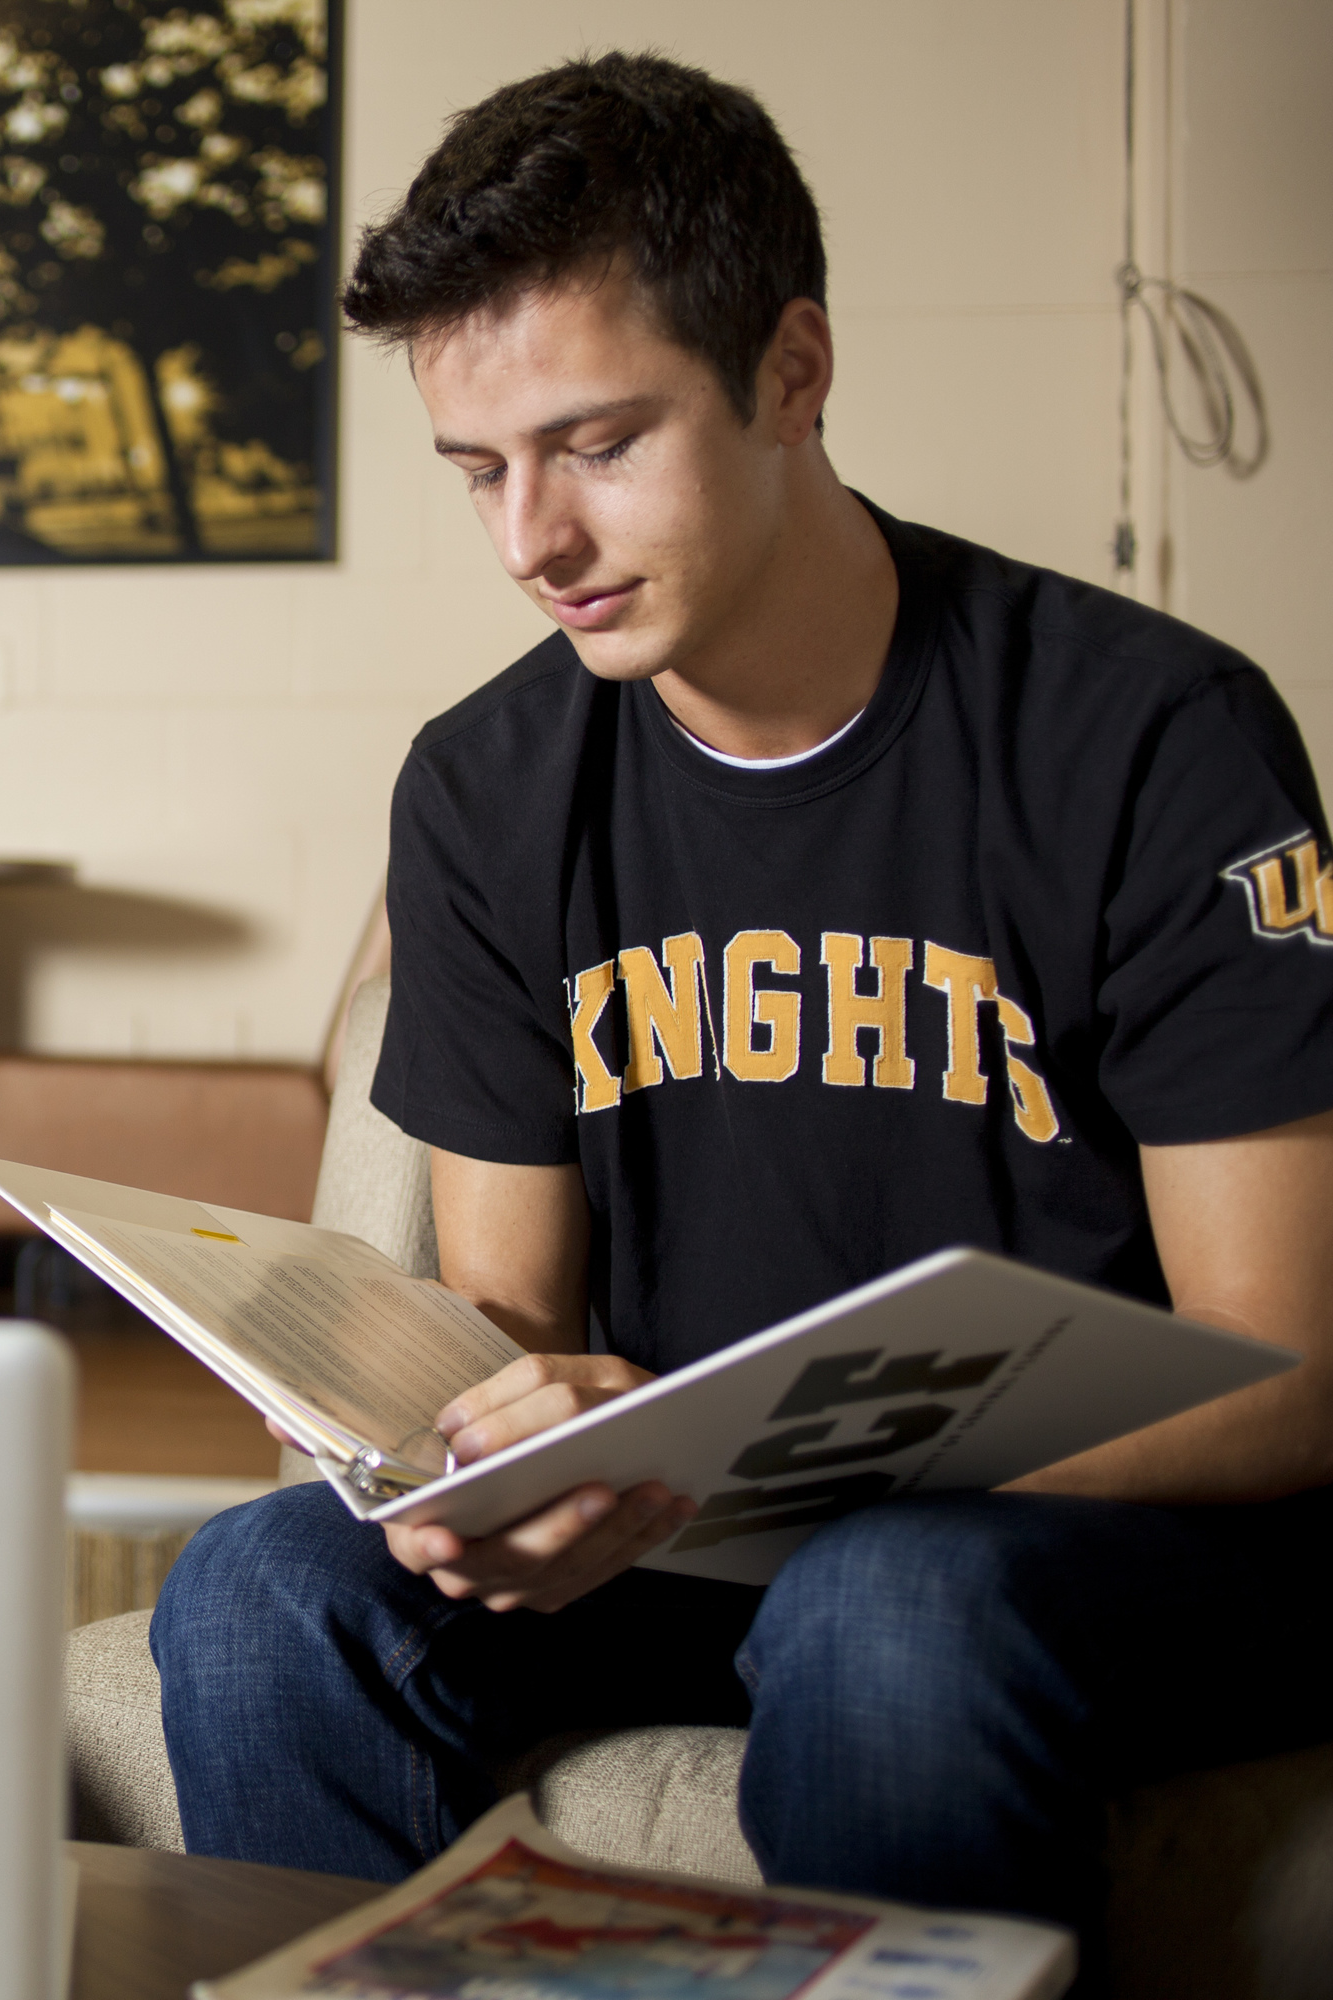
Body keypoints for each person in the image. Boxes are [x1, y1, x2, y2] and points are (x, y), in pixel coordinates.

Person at [148, 51, 1333, 1971]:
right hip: (692, 1527)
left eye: (596, 445)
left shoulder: (1148, 733)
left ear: (793, 372)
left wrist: (734, 1462)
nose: (530, 540)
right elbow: (513, 1314)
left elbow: (1279, 1375)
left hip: (1094, 1534)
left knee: (884, 1607)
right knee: (264, 1589)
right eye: (478, 469)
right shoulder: (487, 787)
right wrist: (473, 1451)